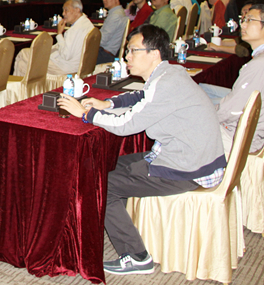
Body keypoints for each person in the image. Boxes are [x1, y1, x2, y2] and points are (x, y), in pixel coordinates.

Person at [57, 24, 226, 276]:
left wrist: (85, 113)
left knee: (102, 183)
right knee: (109, 165)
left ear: (154, 53)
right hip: (188, 157)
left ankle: (137, 257)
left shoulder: (167, 83)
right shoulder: (168, 74)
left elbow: (127, 125)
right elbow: (140, 97)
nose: (127, 57)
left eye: (133, 51)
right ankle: (117, 222)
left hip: (187, 167)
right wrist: (107, 103)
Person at [200, 4, 264, 156]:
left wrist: (202, 117)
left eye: (250, 20)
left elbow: (231, 110)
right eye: (243, 20)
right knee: (202, 90)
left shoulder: (261, 64)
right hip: (259, 129)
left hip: (243, 138)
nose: (243, 25)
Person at [15, 0, 95, 76]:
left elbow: (65, 55)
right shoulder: (87, 23)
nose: (63, 14)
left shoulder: (74, 30)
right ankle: (25, 83)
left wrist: (59, 33)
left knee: (23, 53)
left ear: (77, 10)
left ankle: (19, 83)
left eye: (66, 10)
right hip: (78, 65)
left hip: (65, 67)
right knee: (22, 64)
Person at [97, 0, 130, 64]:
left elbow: (102, 40)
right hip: (104, 52)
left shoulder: (116, 15)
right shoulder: (116, 13)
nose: (104, 0)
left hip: (105, 55)